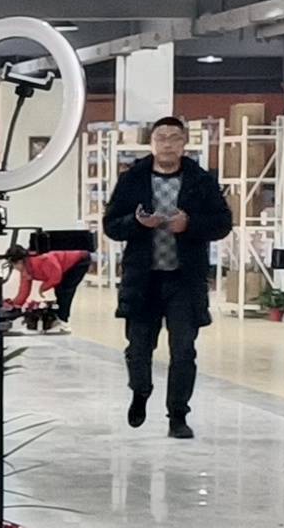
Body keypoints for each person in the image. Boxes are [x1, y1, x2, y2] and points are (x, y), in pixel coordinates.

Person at [100, 115, 234, 437]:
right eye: (162, 138)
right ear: (152, 143)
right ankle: (140, 390)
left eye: (175, 138)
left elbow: (222, 223)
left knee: (184, 350)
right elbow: (111, 226)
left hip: (184, 281)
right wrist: (137, 224)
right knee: (138, 348)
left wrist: (190, 225)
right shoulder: (132, 179)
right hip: (143, 280)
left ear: (184, 143)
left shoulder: (201, 180)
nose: (168, 145)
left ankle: (178, 416)